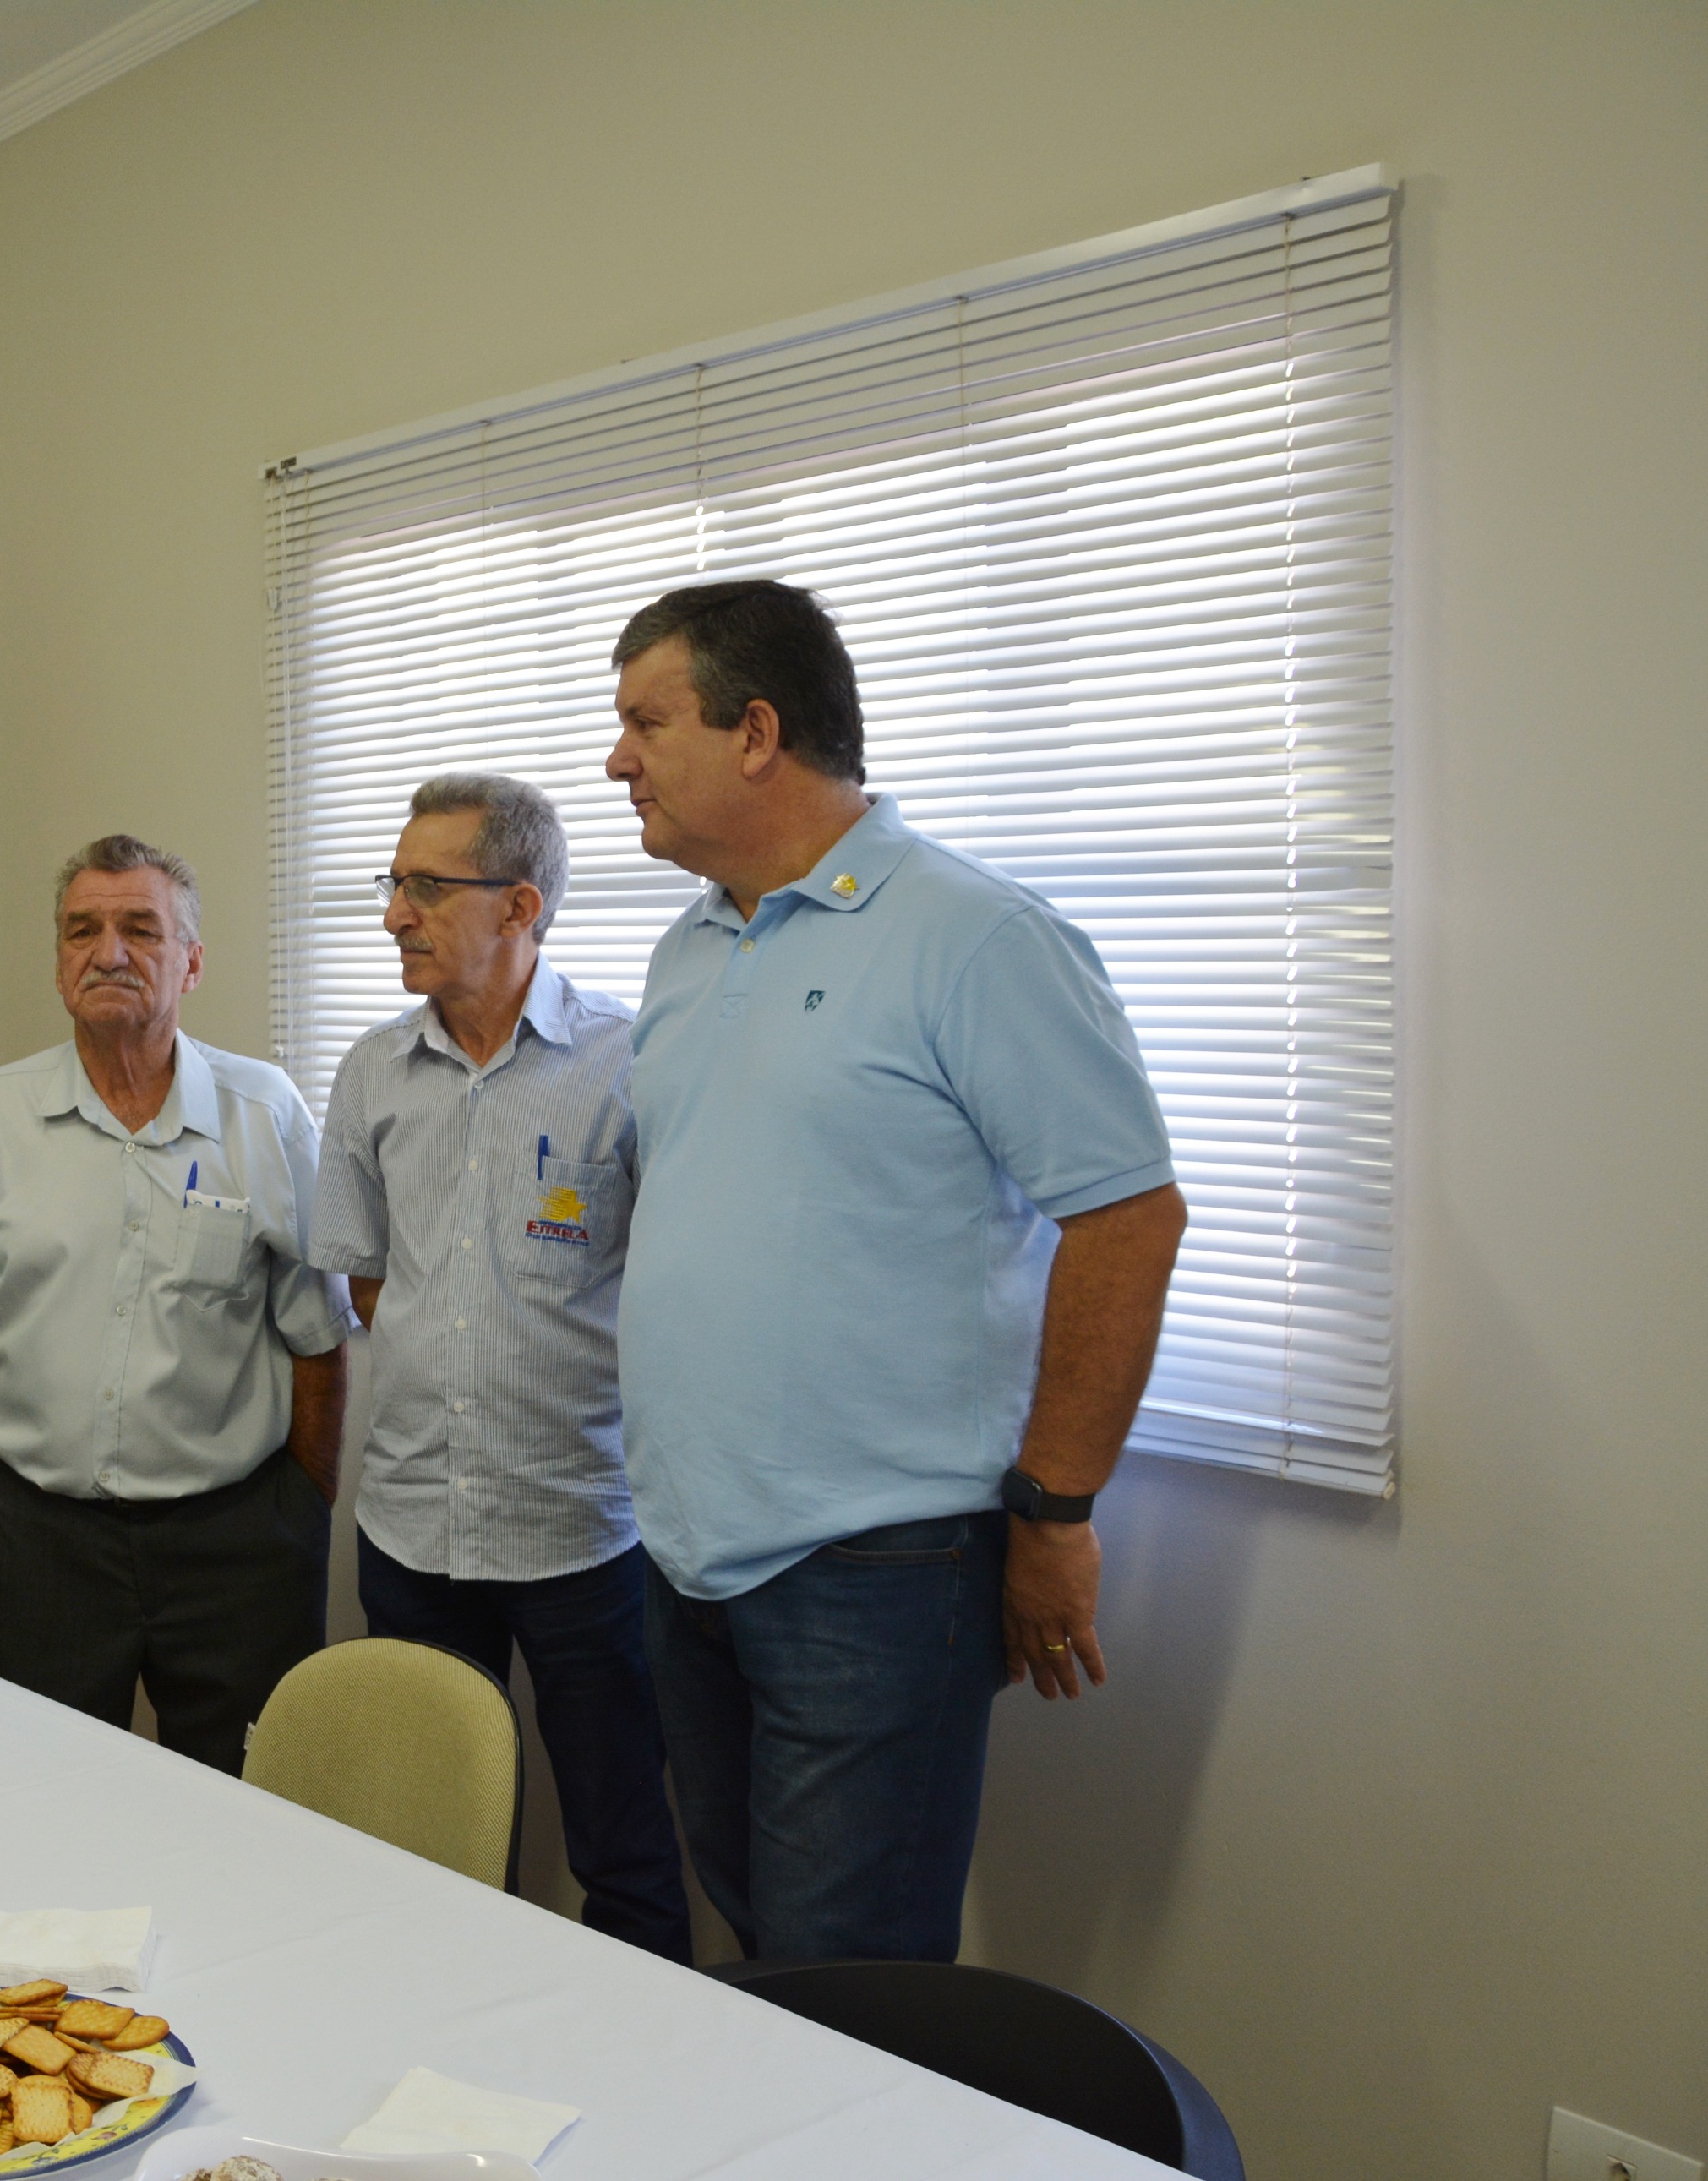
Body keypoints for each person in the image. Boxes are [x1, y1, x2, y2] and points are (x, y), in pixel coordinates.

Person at [602, 579, 1187, 1963]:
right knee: (755, 1945)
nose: (617, 760)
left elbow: (1127, 1218)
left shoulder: (974, 934)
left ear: (756, 733)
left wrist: (1055, 1512)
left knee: (852, 1983)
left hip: (877, 1567)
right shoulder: (687, 948)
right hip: (686, 1551)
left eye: (644, 723)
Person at [308, 773, 690, 1962]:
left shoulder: (628, 1063)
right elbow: (371, 1282)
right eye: (393, 884)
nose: (394, 914)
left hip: (581, 1528)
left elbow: (673, 1287)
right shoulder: (373, 1070)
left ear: (521, 904)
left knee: (622, 1846)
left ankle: (638, 2055)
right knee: (430, 1842)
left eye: (426, 888)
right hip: (412, 1523)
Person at [0, 834, 352, 1772]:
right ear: (59, 958)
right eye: (82, 931)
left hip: (233, 1545)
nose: (108, 953)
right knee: (44, 1792)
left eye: (141, 929)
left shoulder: (263, 1114)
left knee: (242, 1797)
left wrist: (302, 1508)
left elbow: (317, 1330)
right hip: (41, 1539)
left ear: (191, 961)